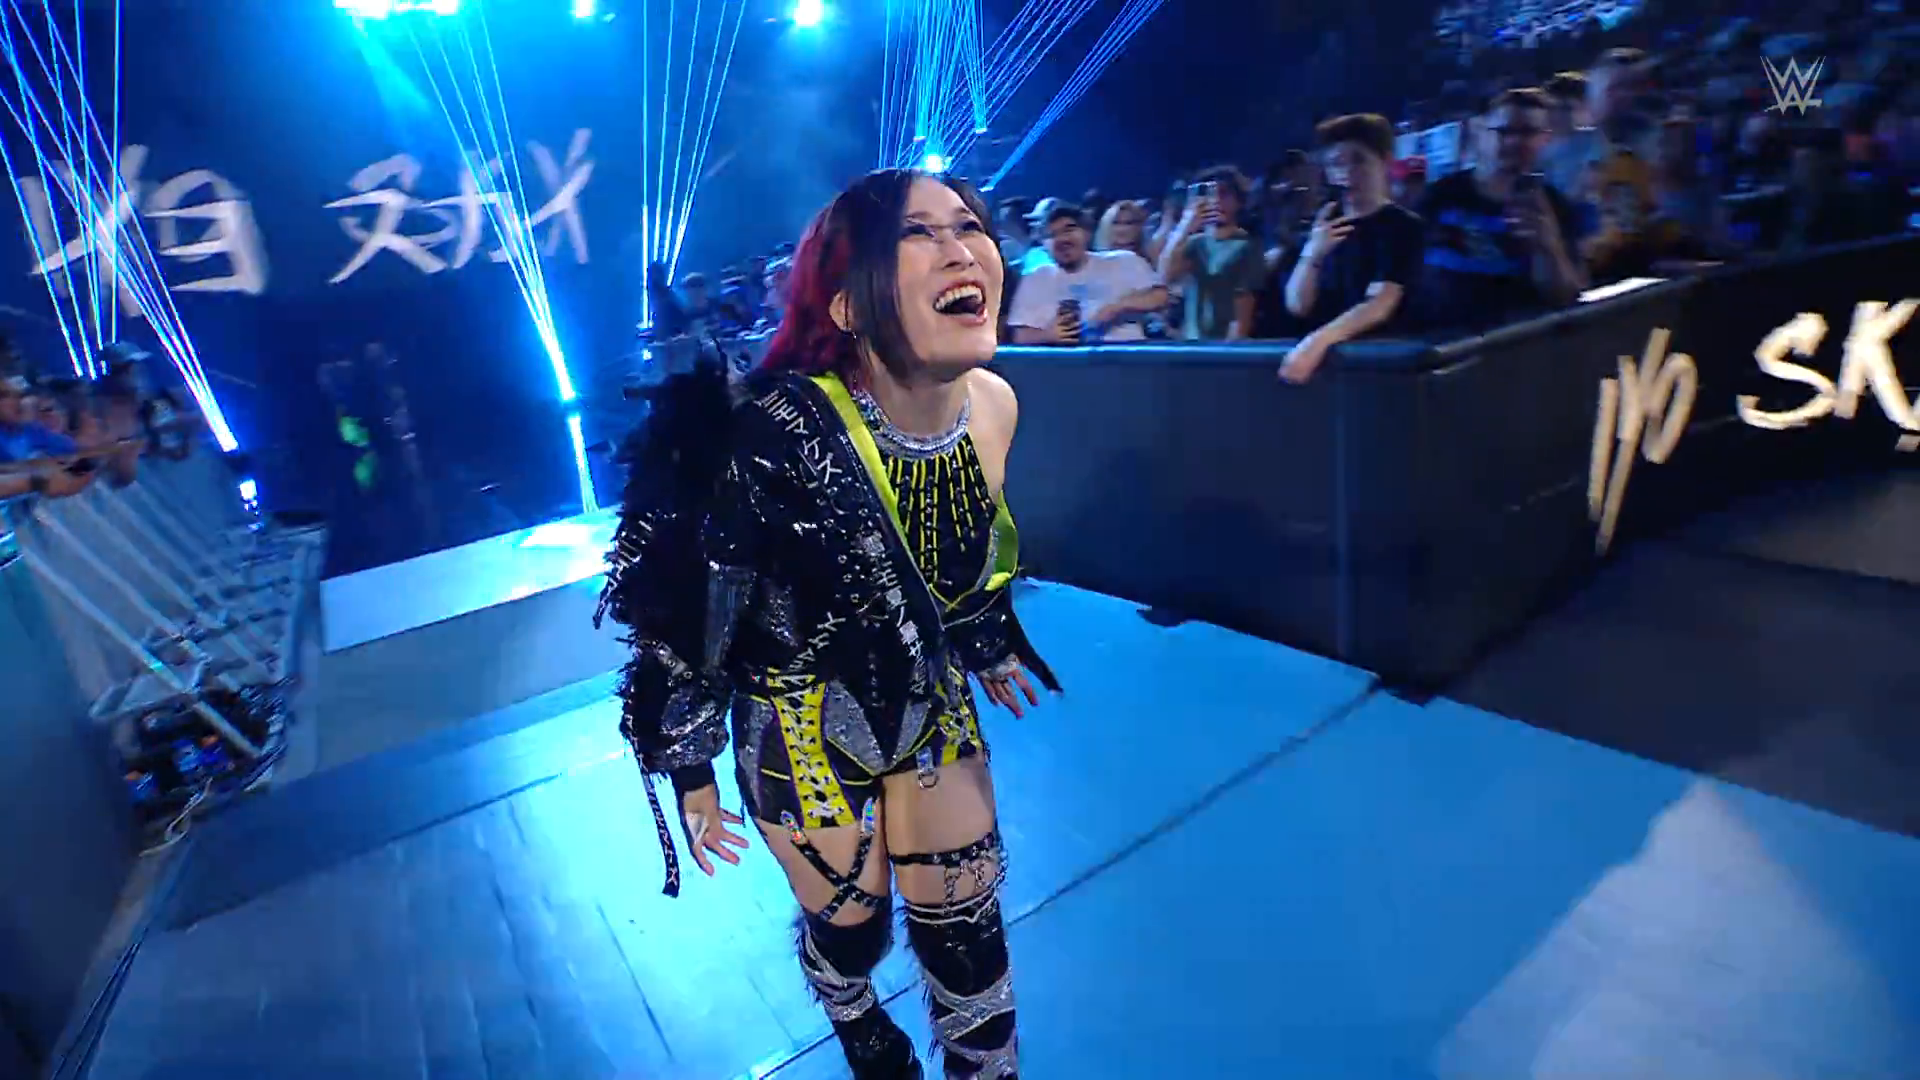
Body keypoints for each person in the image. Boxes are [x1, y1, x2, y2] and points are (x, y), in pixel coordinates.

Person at [598, 168, 1058, 1080]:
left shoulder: (994, 406)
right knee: (855, 930)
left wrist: (984, 633)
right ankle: (847, 1004)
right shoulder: (768, 434)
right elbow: (691, 613)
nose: (964, 248)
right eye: (920, 233)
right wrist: (689, 766)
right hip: (796, 724)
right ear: (847, 304)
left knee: (968, 937)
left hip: (926, 699)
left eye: (970, 225)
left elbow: (961, 552)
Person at [1414, 87, 1587, 330]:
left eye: (1528, 133)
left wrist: (1548, 246)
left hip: (1514, 341)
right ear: (1480, 132)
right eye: (1504, 131)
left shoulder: (1555, 206)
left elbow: (1567, 297)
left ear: (1544, 139)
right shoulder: (1440, 196)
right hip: (1439, 338)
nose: (1515, 142)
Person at [1279, 113, 1425, 383]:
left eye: (1358, 160)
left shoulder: (1403, 226)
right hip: (1322, 371)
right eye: (1336, 163)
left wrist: (1317, 342)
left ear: (1385, 162)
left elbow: (1380, 304)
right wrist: (1312, 253)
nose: (1346, 173)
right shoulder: (1324, 226)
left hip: (1381, 369)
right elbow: (1297, 305)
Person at [1008, 202, 1166, 345]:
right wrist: (1048, 335)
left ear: (1087, 233)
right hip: (1067, 360)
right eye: (1052, 235)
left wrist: (1117, 307)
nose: (1062, 239)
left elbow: (1161, 297)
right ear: (1043, 244)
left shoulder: (1123, 261)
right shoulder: (1036, 278)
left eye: (1069, 230)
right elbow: (1020, 337)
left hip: (1126, 355)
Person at [1158, 165, 1267, 340]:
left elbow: (1242, 311)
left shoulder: (1247, 246)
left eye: (1224, 194)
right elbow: (1165, 276)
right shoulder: (1193, 243)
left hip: (1222, 346)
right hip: (1190, 343)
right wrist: (1186, 225)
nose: (1216, 201)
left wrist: (1231, 349)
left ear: (1239, 200)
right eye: (1209, 195)